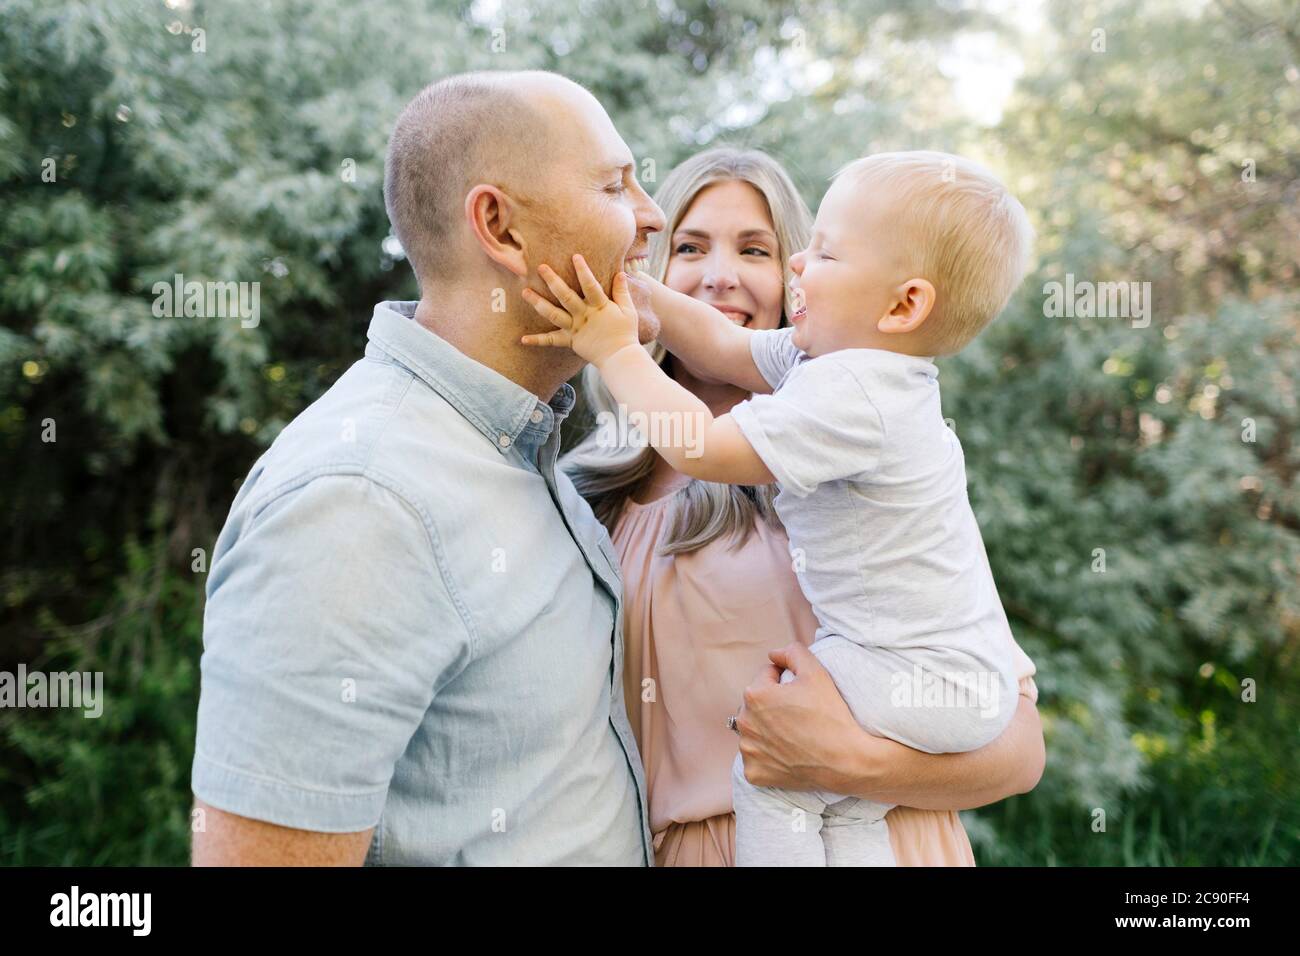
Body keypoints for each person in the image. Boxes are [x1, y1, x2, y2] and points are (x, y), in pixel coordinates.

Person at [189, 70, 666, 865]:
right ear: (501, 229)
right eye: (616, 185)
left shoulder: (523, 451)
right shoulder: (360, 503)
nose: (650, 216)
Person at [523, 150, 1037, 865]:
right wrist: (632, 295)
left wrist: (614, 350)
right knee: (843, 816)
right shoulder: (819, 369)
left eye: (805, 253)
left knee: (771, 786)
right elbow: (722, 341)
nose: (724, 274)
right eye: (690, 248)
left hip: (888, 775)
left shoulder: (848, 399)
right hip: (740, 835)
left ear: (902, 304)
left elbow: (701, 444)